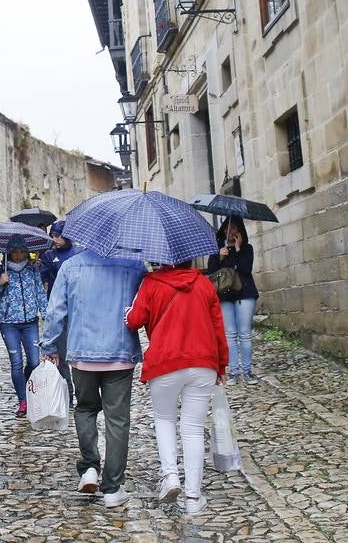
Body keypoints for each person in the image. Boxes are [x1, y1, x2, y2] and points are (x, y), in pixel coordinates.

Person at [39, 247, 145, 507]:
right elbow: (145, 307)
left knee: (85, 409)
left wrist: (49, 346)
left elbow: (55, 311)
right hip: (120, 353)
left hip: (83, 354)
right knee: (117, 419)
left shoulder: (71, 266)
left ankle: (89, 468)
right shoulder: (134, 266)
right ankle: (112, 488)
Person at [126, 259, 228, 516]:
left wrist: (128, 313)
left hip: (165, 362)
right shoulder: (204, 284)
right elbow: (218, 327)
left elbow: (135, 320)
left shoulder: (151, 283)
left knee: (164, 420)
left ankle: (170, 476)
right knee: (193, 429)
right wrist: (222, 365)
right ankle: (193, 496)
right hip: (203, 362)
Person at [0, 236, 48, 417]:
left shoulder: (33, 270)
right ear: (8, 252)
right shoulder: (1, 271)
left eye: (22, 251)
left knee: (34, 362)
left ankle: (28, 385)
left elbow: (40, 293)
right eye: (15, 251)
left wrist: (46, 316)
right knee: (16, 363)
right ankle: (23, 401)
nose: (18, 255)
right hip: (9, 323)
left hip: (30, 322)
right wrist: (0, 283)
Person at [209, 217, 259, 382]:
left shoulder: (247, 249)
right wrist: (220, 258)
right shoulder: (218, 250)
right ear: (223, 230)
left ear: (240, 232)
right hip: (225, 295)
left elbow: (245, 269)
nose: (231, 232)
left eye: (235, 229)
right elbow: (212, 272)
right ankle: (233, 372)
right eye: (228, 229)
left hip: (244, 294)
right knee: (230, 334)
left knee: (244, 334)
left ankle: (247, 371)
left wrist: (237, 251)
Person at [40, 220, 82, 398]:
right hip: (59, 309)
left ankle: (82, 392)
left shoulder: (78, 253)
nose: (55, 239)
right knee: (61, 354)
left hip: (78, 309)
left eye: (58, 235)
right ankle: (68, 394)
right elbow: (41, 278)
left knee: (79, 354)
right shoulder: (49, 255)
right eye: (53, 236)